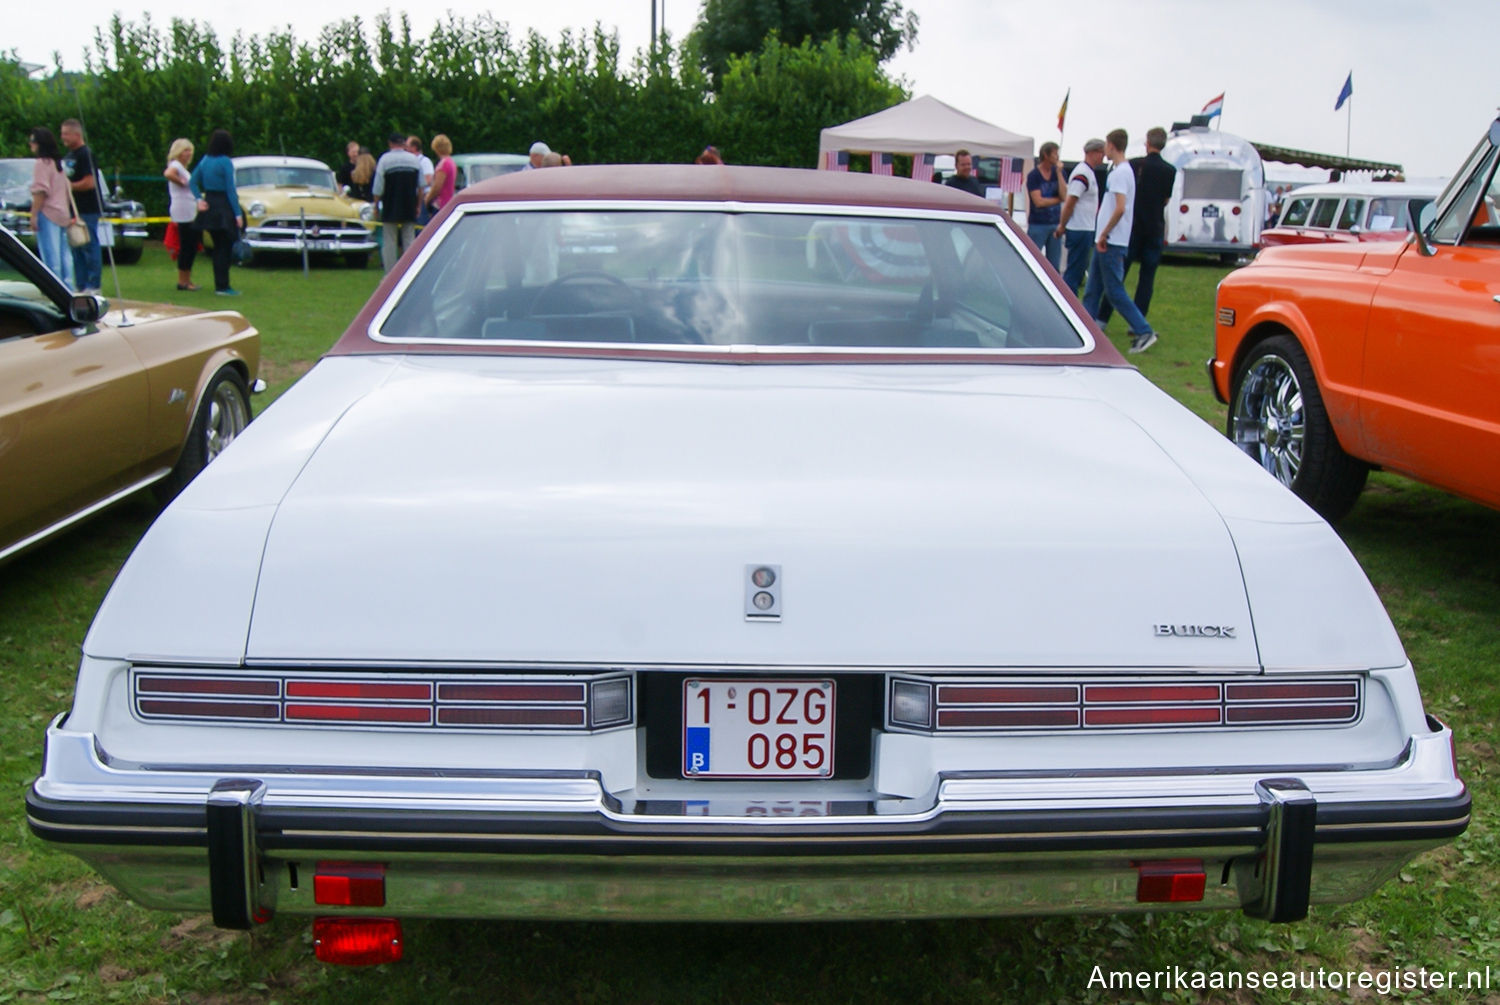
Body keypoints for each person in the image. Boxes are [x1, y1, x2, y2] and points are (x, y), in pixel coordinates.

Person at [1082, 128, 1159, 354]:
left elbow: (1120, 208)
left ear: (1112, 146)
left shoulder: (1119, 174)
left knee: (1114, 290)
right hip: (1105, 239)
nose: (1104, 150)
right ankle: (1086, 331)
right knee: (1093, 288)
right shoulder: (1121, 170)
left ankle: (1144, 331)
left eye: (1106, 145)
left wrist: (1105, 232)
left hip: (1111, 240)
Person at [1097, 126, 1173, 324]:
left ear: (1147, 143)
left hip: (1134, 227)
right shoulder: (1169, 170)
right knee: (1147, 278)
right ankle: (1138, 318)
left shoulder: (1135, 166)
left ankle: (1104, 316)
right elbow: (1166, 199)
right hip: (1155, 226)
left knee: (1117, 279)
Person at [189, 128, 243, 296]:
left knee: (217, 246)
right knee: (225, 248)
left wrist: (199, 199)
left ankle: (220, 284)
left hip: (210, 204)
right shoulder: (225, 162)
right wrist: (238, 213)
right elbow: (230, 189)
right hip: (223, 206)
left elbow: (192, 181)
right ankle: (223, 286)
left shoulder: (205, 160)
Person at [1054, 138, 1105, 295]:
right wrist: (1062, 224)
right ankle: (1068, 302)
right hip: (1079, 227)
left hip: (1085, 227)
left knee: (1078, 270)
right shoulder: (1082, 173)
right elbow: (1070, 202)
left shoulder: (1088, 172)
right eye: (1101, 153)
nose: (1103, 157)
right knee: (1074, 272)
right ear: (1092, 152)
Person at [27, 127, 75, 289]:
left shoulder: (42, 164)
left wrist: (33, 215)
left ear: (40, 144)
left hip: (48, 214)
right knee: (64, 256)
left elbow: (40, 191)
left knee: (50, 257)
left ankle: (54, 290)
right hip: (62, 214)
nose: (30, 144)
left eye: (33, 141)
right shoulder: (58, 165)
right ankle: (68, 288)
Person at [59, 118, 102, 293]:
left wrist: (69, 187)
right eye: (62, 134)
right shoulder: (69, 156)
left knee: (89, 245)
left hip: (87, 208)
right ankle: (81, 284)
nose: (63, 137)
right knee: (76, 246)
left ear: (77, 134)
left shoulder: (86, 154)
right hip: (72, 209)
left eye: (66, 134)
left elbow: (90, 182)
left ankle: (94, 285)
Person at [372, 131, 422, 271]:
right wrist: (418, 205)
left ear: (390, 144)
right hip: (409, 205)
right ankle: (409, 272)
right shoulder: (414, 160)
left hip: (390, 204)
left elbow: (378, 188)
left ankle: (390, 274)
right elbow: (421, 186)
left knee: (389, 241)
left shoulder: (384, 160)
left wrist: (376, 205)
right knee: (409, 241)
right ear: (403, 143)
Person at [163, 137, 200, 291]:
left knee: (191, 245)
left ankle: (187, 278)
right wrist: (182, 182)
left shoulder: (183, 168)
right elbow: (168, 174)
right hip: (182, 208)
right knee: (187, 245)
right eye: (185, 150)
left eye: (190, 150)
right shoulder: (176, 165)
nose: (188, 153)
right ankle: (183, 280)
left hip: (188, 207)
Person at [1026, 141, 1064, 269]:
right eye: (1054, 154)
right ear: (1045, 155)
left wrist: (1059, 173)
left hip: (1055, 224)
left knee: (1054, 264)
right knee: (1032, 260)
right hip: (1038, 224)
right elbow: (1038, 202)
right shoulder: (1034, 176)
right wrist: (1057, 200)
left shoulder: (1058, 173)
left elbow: (1064, 196)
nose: (1057, 157)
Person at [407, 135, 435, 225]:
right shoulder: (410, 161)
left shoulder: (424, 161)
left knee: (421, 222)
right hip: (413, 196)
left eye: (407, 146)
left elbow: (428, 179)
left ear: (414, 147)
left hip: (423, 197)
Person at [425, 134, 456, 218]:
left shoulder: (443, 164)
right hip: (448, 201)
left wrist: (427, 199)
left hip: (441, 204)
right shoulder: (451, 162)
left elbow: (437, 187)